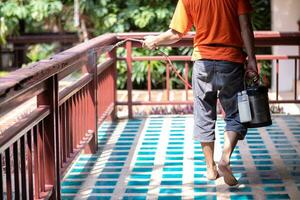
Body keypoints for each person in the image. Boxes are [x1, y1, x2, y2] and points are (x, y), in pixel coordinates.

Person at [143, 0, 258, 186]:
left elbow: (176, 33)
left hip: (203, 62)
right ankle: (225, 159)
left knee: (204, 114)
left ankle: (210, 168)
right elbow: (245, 26)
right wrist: (252, 59)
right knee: (237, 113)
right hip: (231, 60)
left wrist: (154, 40)